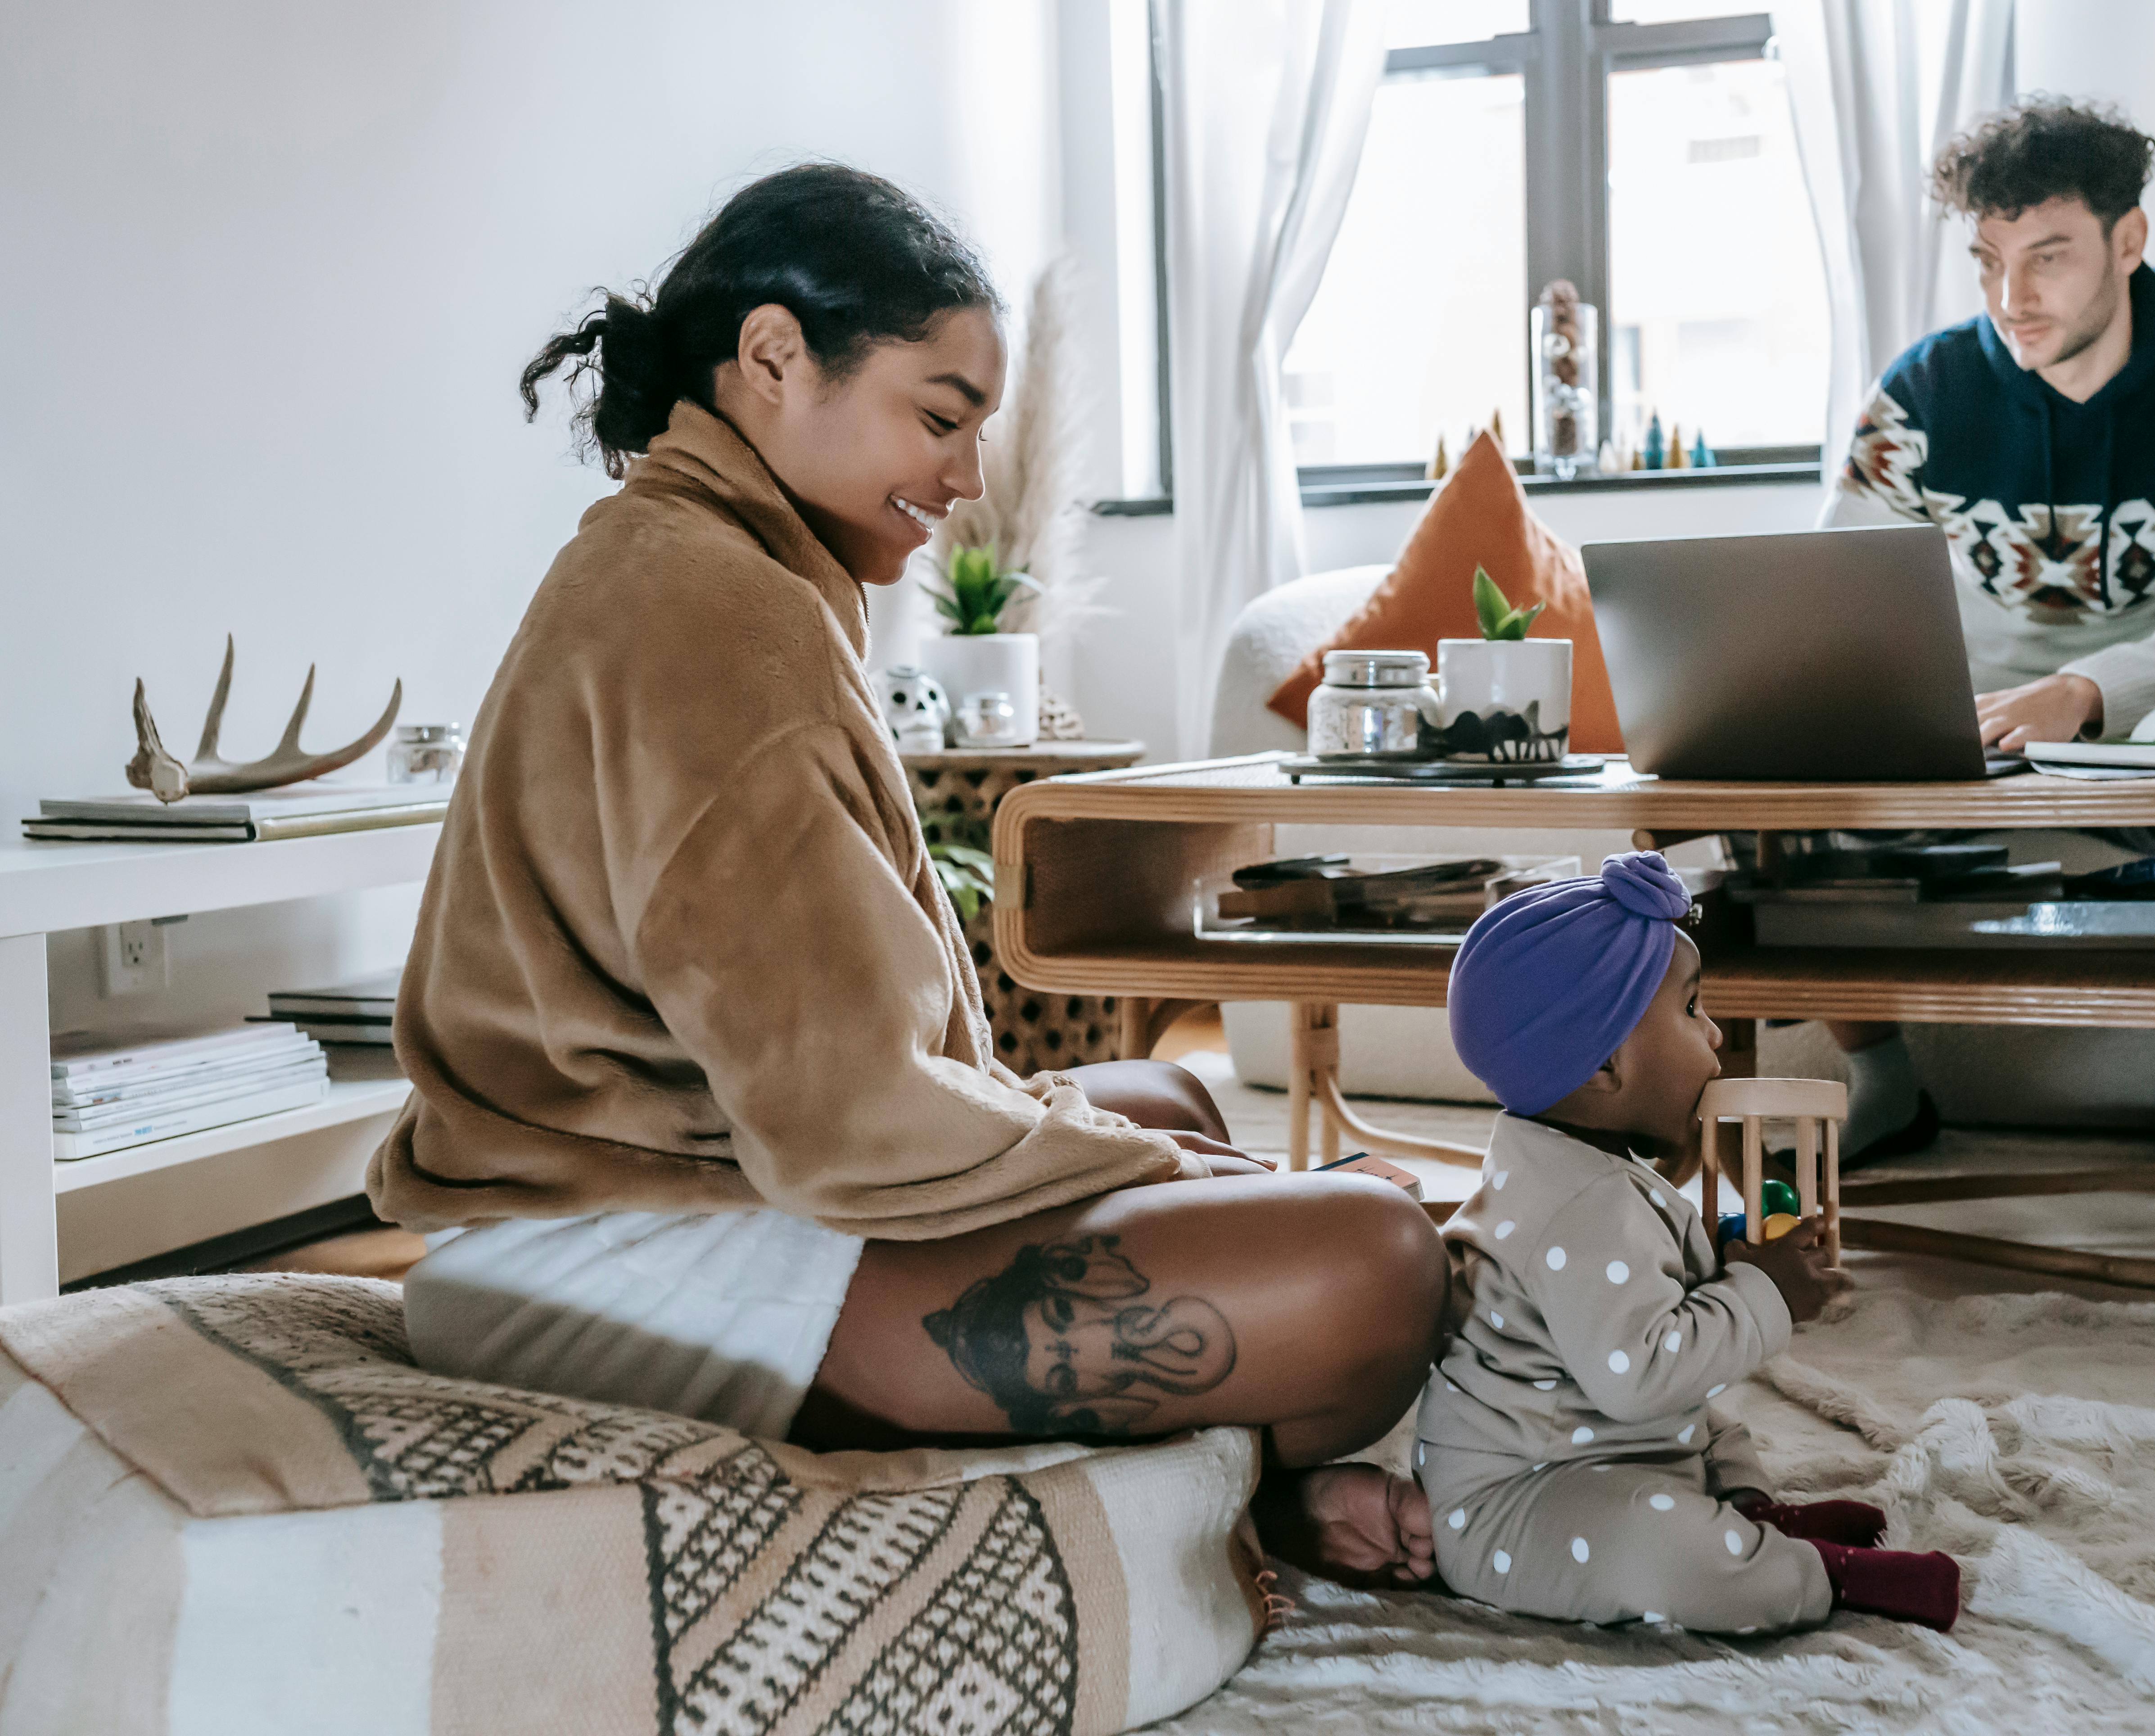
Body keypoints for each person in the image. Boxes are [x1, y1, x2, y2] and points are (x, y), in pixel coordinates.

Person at [371, 164, 1446, 1585]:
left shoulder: (699, 558)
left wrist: (1149, 1147)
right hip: (615, 1269)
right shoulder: (716, 609)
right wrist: (1145, 1171)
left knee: (1175, 1092)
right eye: (940, 417)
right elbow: (842, 1125)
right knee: (1375, 1259)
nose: (967, 478)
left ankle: (1227, 1475)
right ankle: (1234, 1486)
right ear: (772, 359)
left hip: (659, 1194)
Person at [1816, 99, 2155, 1181]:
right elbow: (1833, 602)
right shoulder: (1919, 393)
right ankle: (1884, 1082)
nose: (2013, 297)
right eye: (1989, 260)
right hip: (1968, 735)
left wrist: (2083, 691)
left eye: (2048, 256)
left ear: (2128, 240)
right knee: (1756, 800)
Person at [1418, 853, 1962, 1634]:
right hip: (1520, 1502)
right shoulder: (1578, 1204)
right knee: (1653, 1544)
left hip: (1605, 1449)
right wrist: (1765, 1294)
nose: (1714, 1034)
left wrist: (1734, 1255)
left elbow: (1649, 1285)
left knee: (1714, 1423)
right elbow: (1638, 1377)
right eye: (1693, 1009)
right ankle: (1811, 1574)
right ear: (1605, 1062)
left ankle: (1752, 1513)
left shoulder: (1582, 1167)